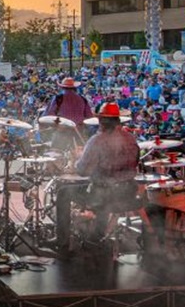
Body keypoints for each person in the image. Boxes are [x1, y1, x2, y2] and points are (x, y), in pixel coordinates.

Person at [56, 102, 138, 250]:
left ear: (101, 121)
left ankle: (62, 242)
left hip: (105, 195)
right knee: (100, 187)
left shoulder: (97, 141)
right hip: (128, 192)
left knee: (63, 192)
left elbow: (83, 171)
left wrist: (78, 159)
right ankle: (98, 234)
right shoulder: (131, 138)